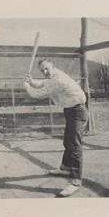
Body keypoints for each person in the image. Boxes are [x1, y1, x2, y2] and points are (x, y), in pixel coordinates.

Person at [24, 59, 89, 198]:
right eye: (42, 70)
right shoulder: (53, 76)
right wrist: (31, 81)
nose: (45, 72)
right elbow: (42, 83)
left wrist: (26, 86)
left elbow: (37, 93)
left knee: (75, 146)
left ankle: (75, 181)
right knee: (68, 141)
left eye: (47, 68)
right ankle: (65, 168)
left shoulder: (58, 80)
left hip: (78, 111)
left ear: (54, 67)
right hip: (71, 111)